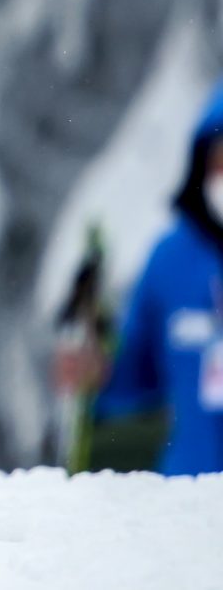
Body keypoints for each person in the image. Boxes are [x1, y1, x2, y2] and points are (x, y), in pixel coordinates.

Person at [95, 77, 223, 476]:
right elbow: (132, 376)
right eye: (220, 160)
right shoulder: (170, 259)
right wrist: (95, 367)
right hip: (189, 501)